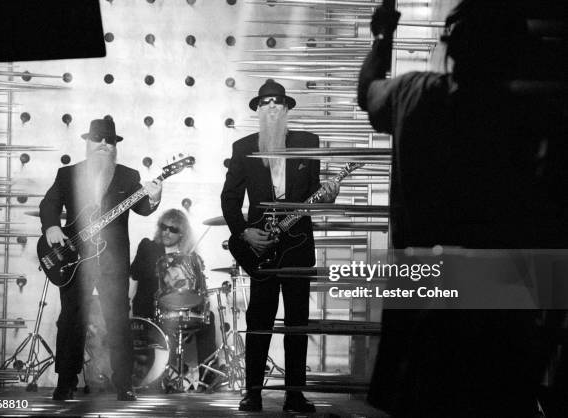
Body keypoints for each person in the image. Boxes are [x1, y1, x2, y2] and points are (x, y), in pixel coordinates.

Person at [357, 2, 559, 417]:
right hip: (497, 309)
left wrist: (382, 36)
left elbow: (368, 92)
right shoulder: (532, 116)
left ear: (452, 44)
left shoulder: (412, 93)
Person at [221, 79, 339, 413]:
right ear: (258, 110)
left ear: (286, 109)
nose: (272, 107)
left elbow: (317, 192)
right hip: (262, 248)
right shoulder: (243, 148)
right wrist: (244, 233)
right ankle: (253, 393)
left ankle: (294, 395)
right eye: (265, 103)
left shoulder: (308, 143)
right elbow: (229, 199)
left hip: (299, 245)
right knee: (259, 321)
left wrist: (329, 196)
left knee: (297, 323)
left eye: (278, 103)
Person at [40, 118, 162, 401]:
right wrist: (51, 226)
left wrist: (155, 197)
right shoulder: (67, 174)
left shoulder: (128, 176)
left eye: (110, 140)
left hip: (113, 260)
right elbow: (49, 204)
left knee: (118, 321)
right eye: (99, 139)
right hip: (73, 259)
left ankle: (124, 385)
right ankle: (66, 381)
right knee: (70, 319)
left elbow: (143, 208)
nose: (105, 144)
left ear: (115, 146)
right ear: (88, 142)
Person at [130, 209, 222, 392]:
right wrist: (128, 305)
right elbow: (134, 276)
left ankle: (207, 375)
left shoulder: (191, 257)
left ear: (182, 234)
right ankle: (162, 376)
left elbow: (198, 289)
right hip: (151, 308)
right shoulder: (148, 246)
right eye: (163, 227)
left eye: (172, 229)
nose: (166, 232)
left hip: (179, 309)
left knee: (208, 317)